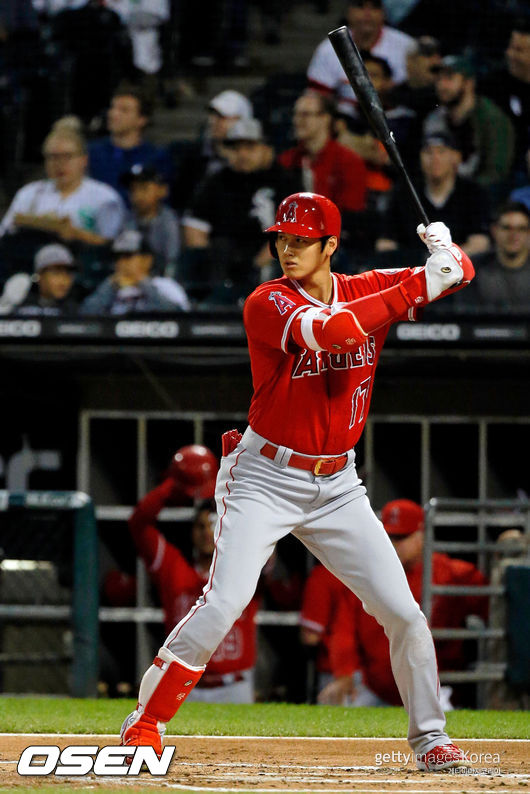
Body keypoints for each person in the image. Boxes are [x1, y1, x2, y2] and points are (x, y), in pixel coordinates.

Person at [119, 191, 476, 772]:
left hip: (338, 483)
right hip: (265, 476)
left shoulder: (365, 288)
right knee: (225, 601)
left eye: (302, 241)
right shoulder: (267, 301)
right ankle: (146, 721)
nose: (288, 249)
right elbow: (336, 332)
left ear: (330, 245)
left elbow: (463, 272)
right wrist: (423, 283)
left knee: (404, 613)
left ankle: (431, 738)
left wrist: (447, 254)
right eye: (282, 239)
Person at [316, 500, 488, 709]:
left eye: (402, 537)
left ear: (421, 535)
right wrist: (345, 673)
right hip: (377, 690)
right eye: (389, 537)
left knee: (442, 722)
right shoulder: (367, 574)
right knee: (335, 710)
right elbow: (344, 631)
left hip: (436, 690)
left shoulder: (452, 574)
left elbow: (494, 610)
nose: (394, 545)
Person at [181, 118, 300, 304]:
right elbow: (194, 228)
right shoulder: (216, 182)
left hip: (268, 261)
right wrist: (209, 260)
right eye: (236, 148)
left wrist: (258, 264)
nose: (242, 154)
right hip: (223, 262)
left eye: (250, 147)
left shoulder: (284, 181)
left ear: (266, 149)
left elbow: (293, 232)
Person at [0, 121, 125, 249]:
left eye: (67, 156)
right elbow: (4, 233)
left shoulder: (104, 197)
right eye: (53, 157)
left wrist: (77, 234)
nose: (60, 164)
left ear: (84, 160)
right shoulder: (29, 193)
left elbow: (113, 245)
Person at [376, 133, 491, 262]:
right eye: (428, 152)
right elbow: (385, 244)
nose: (435, 158)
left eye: (441, 152)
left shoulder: (473, 193)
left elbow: (480, 243)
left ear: (456, 157)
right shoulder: (405, 193)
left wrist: (443, 261)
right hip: (414, 269)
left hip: (459, 269)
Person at [278, 92, 367, 250]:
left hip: (336, 243)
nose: (297, 121)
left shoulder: (348, 161)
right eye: (296, 114)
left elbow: (352, 212)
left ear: (325, 118)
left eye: (305, 114)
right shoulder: (287, 160)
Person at [423, 54, 515, 201]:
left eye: (449, 78)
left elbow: (496, 172)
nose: (441, 85)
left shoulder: (492, 120)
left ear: (468, 83)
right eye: (439, 79)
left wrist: (465, 193)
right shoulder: (435, 119)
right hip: (441, 193)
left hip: (479, 197)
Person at [306, 0, 414, 118]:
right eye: (360, 6)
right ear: (348, 12)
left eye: (375, 8)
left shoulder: (407, 46)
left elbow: (415, 92)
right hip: (344, 120)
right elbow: (317, 96)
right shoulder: (329, 48)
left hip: (395, 118)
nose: (367, 14)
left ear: (384, 13)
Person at [169, 89, 253, 214]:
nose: (213, 121)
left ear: (242, 121)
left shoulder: (253, 164)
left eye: (222, 117)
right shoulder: (193, 157)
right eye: (213, 115)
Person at [88, 83, 172, 204]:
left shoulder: (156, 157)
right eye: (113, 108)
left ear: (142, 119)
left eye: (124, 110)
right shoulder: (92, 152)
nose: (114, 114)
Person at [80, 229, 189, 315]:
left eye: (128, 256)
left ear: (147, 260)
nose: (121, 262)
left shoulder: (165, 285)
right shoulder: (110, 287)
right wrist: (108, 288)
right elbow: (84, 316)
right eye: (117, 257)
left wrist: (144, 285)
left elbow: (181, 316)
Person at [454, 201, 530, 315]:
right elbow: (466, 317)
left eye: (521, 229)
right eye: (507, 228)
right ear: (494, 230)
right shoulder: (472, 270)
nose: (514, 235)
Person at [480, 17, 530, 187]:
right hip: (503, 171)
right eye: (510, 47)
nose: (510, 54)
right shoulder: (493, 85)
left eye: (519, 50)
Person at [121, 164, 181, 278]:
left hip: (163, 280)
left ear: (162, 190)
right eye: (133, 190)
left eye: (144, 188)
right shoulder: (127, 220)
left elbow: (172, 261)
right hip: (132, 279)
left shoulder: (169, 221)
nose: (138, 195)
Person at [0, 243, 80, 316]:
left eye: (68, 274)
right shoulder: (21, 296)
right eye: (56, 273)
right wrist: (7, 303)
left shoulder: (74, 306)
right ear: (40, 275)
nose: (63, 281)